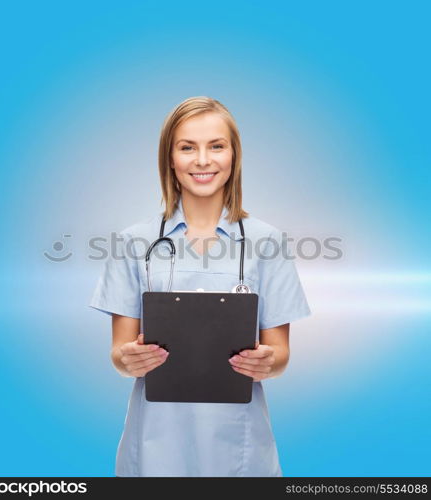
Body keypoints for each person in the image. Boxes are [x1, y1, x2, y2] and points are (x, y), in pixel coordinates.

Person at [89, 96, 311, 477]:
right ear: (170, 159)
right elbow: (118, 355)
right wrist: (129, 359)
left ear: (233, 157)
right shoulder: (132, 242)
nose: (203, 160)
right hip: (154, 444)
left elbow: (281, 355)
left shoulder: (267, 242)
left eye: (216, 146)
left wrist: (267, 362)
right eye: (187, 147)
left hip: (239, 447)